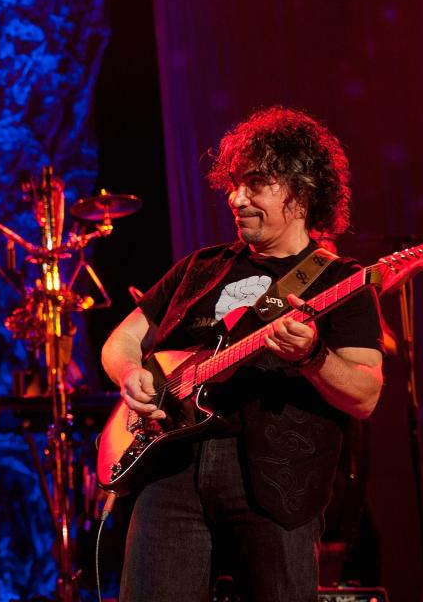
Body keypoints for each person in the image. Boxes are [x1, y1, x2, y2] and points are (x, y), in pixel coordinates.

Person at [101, 106, 383, 601]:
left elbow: (365, 396)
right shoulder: (201, 267)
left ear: (302, 188)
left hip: (277, 482)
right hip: (168, 470)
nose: (236, 198)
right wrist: (130, 373)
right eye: (233, 184)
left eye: (255, 184)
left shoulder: (342, 282)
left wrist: (313, 356)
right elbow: (121, 340)